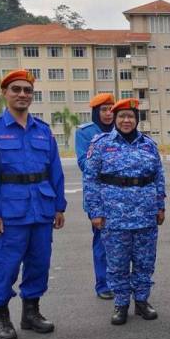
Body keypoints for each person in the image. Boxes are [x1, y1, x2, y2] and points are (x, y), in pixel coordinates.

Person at [0, 69, 66, 339]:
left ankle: (31, 312)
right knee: (4, 265)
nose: (22, 94)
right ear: (5, 93)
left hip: (42, 207)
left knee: (39, 262)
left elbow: (55, 170)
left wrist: (59, 205)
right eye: (16, 89)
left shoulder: (43, 131)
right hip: (10, 210)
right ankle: (1, 315)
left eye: (27, 90)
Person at [83, 98, 166, 326]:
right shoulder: (100, 143)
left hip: (146, 213)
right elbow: (90, 180)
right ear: (115, 119)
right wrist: (96, 212)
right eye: (121, 117)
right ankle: (121, 304)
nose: (126, 120)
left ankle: (141, 301)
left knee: (145, 261)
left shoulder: (149, 145)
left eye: (130, 116)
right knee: (117, 262)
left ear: (136, 120)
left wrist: (160, 206)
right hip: (114, 215)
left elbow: (158, 177)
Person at [75, 93, 116, 300]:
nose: (109, 113)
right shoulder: (85, 133)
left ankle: (120, 282)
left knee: (124, 242)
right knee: (102, 241)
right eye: (103, 109)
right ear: (95, 112)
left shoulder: (122, 129)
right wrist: (118, 164)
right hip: (98, 197)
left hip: (123, 197)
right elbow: (85, 163)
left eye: (111, 108)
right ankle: (103, 284)